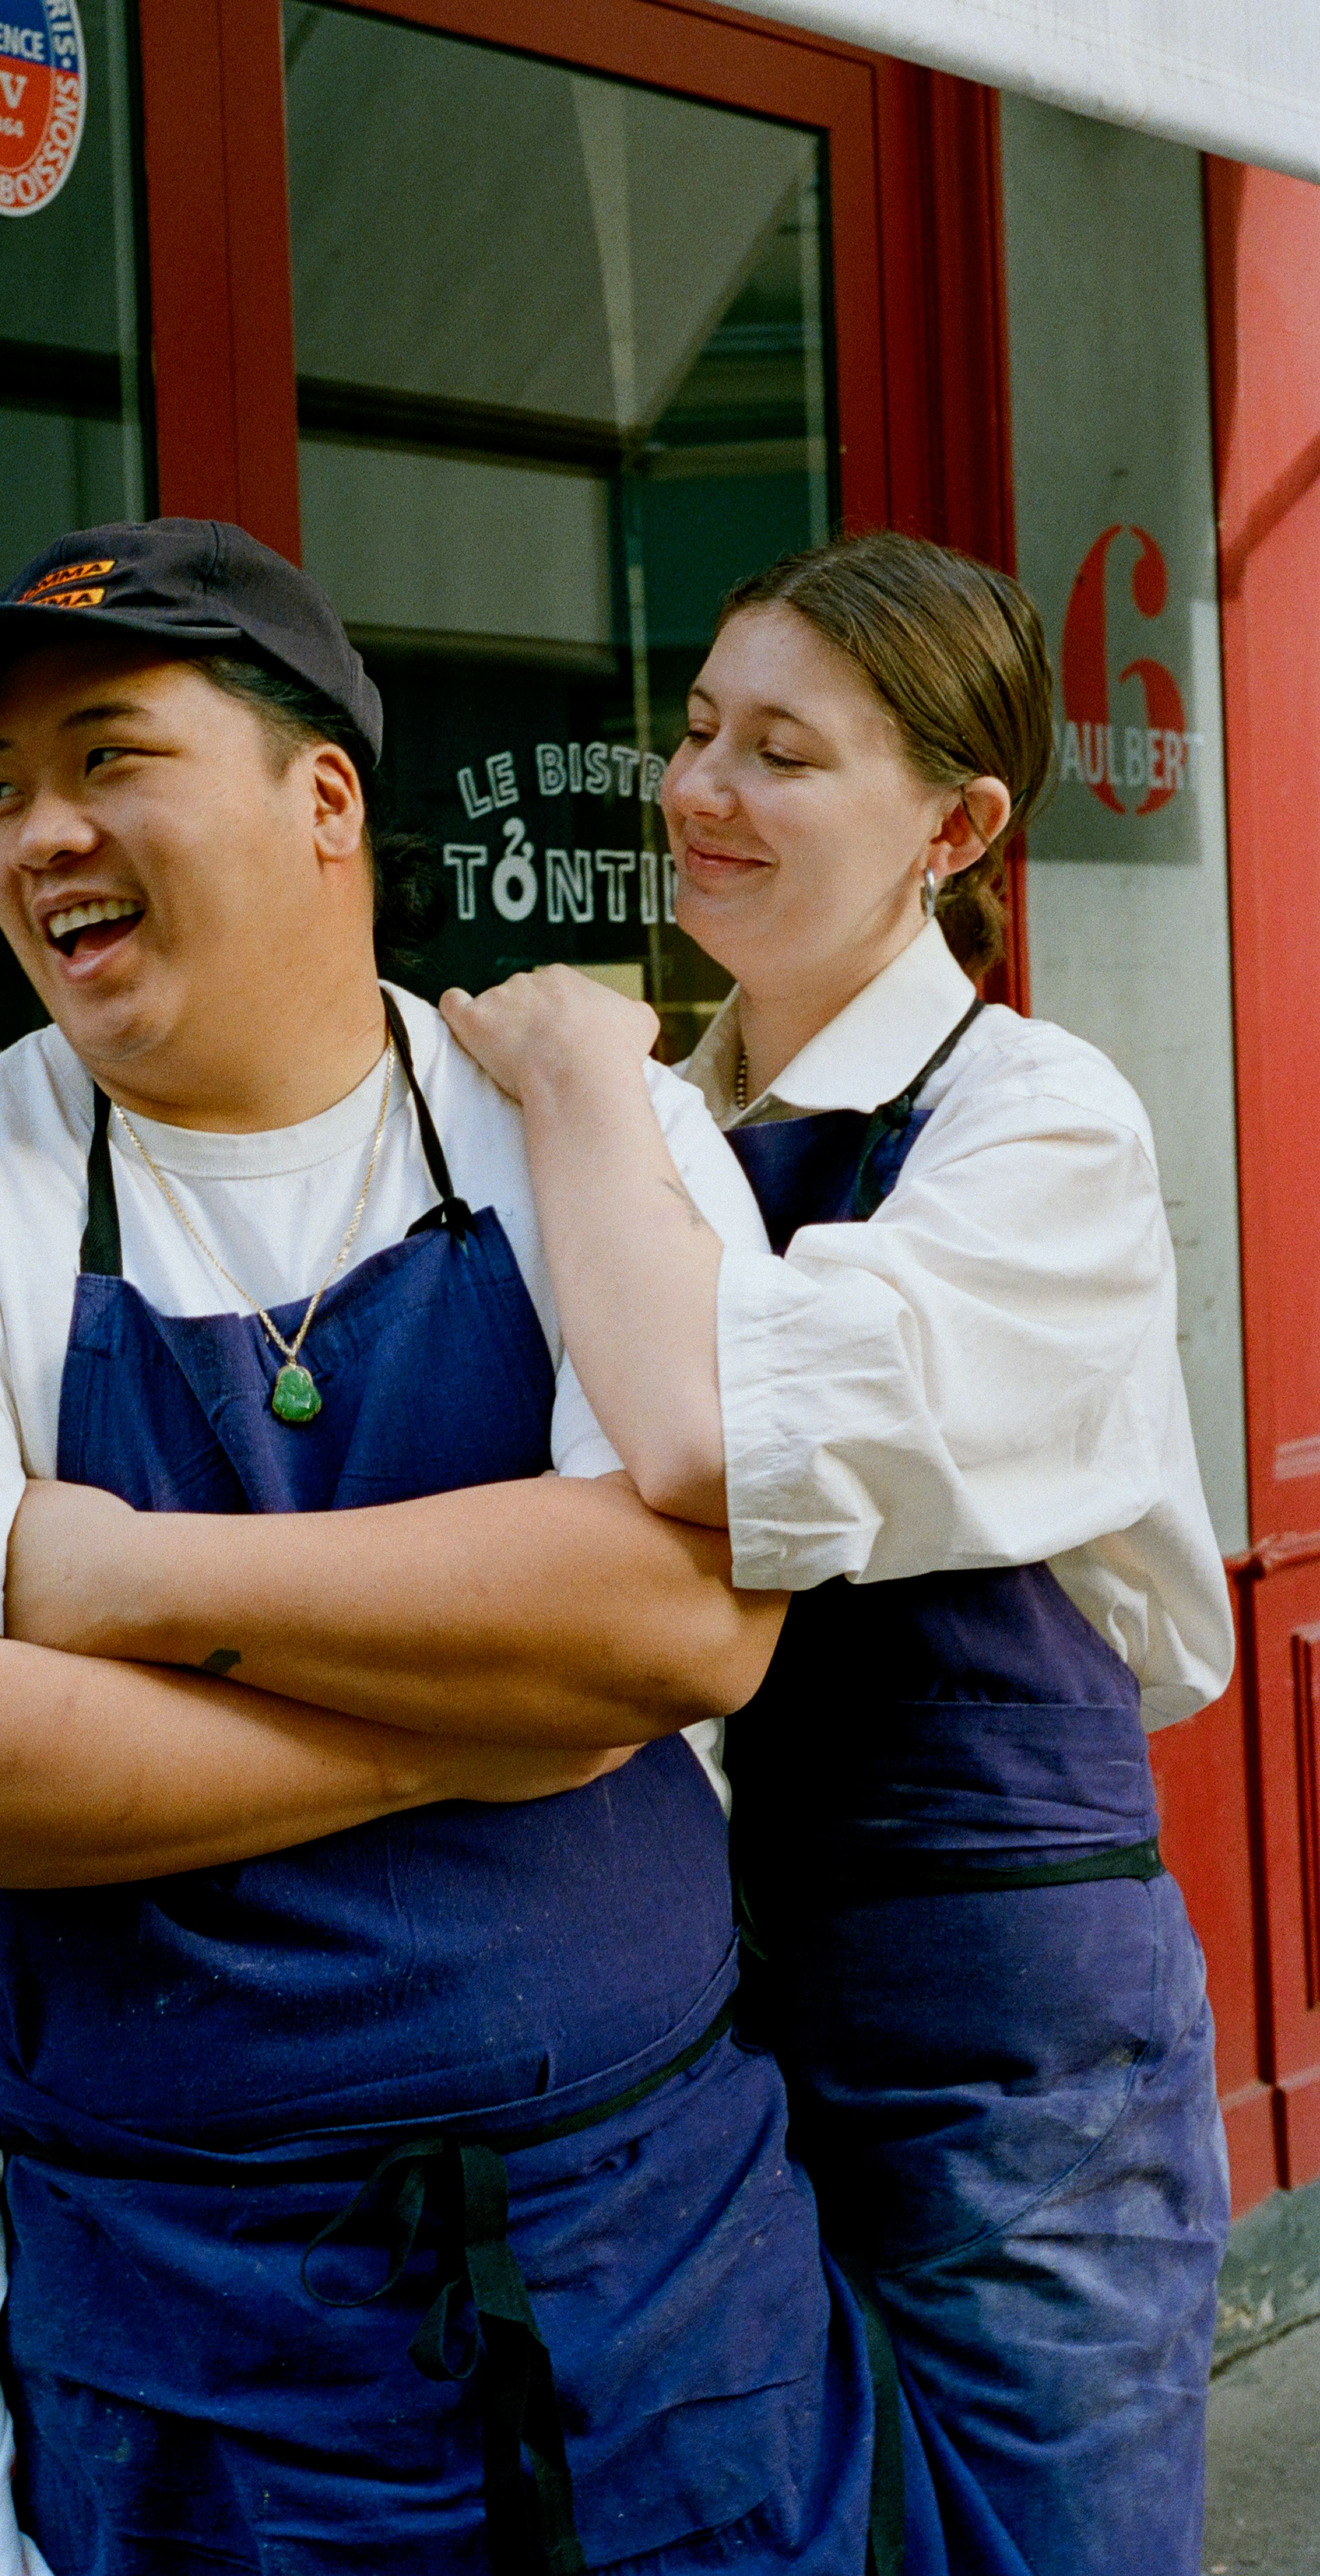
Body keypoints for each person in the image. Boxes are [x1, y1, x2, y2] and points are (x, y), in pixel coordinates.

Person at [0, 521, 1002, 2576]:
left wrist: (122, 1584)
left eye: (110, 757)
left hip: (661, 2285)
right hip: (201, 2347)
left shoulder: (573, 1126)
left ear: (326, 799)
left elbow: (684, 1627)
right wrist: (488, 1727)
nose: (42, 833)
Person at [435, 531, 1235, 2576]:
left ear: (953, 825)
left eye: (782, 753)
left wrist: (579, 1079)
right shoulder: (666, 1125)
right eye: (697, 728)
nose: (700, 791)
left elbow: (707, 1431)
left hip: (1010, 2033)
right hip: (707, 2009)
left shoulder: (1038, 1124)